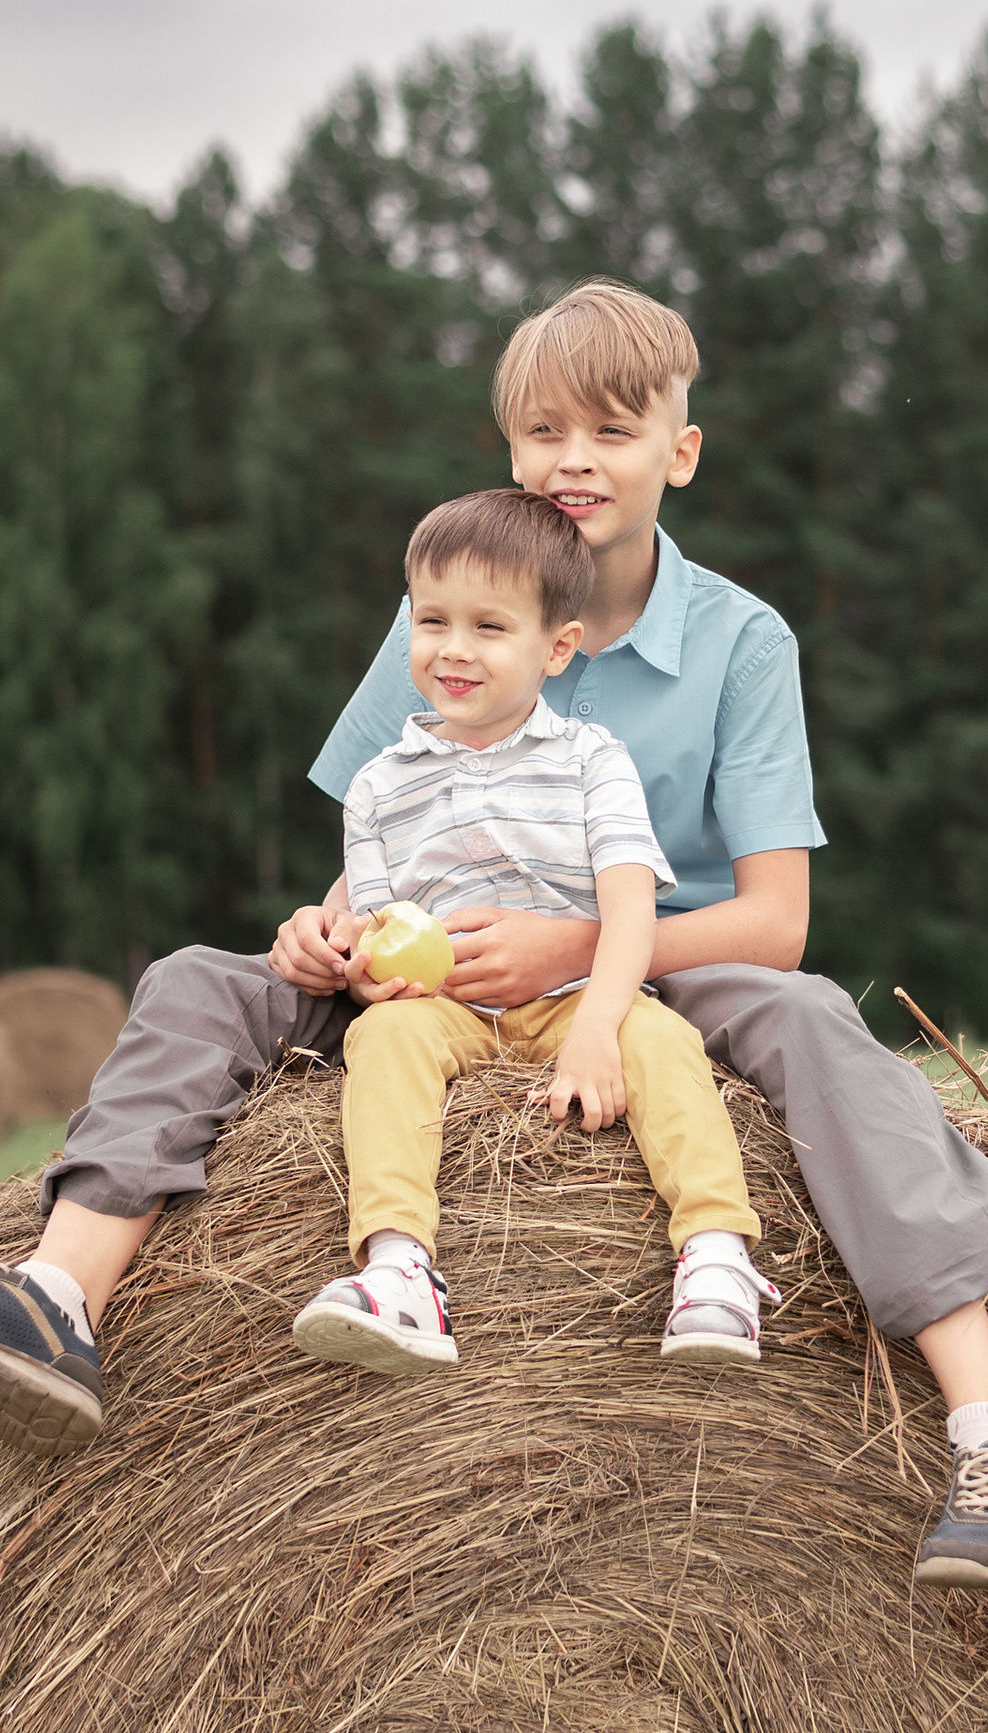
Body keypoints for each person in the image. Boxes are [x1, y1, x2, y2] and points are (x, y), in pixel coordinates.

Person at [0, 280, 988, 1587]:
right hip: (439, 964)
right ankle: (56, 1302)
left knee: (810, 1018)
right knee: (200, 981)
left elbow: (777, 922)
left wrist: (571, 951)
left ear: (678, 454)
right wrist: (327, 934)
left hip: (665, 965)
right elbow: (375, 846)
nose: (573, 460)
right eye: (543, 432)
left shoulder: (742, 644)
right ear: (509, 447)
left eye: (613, 431)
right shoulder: (460, 602)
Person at [290, 485, 774, 1376]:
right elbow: (378, 923)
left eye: (488, 627)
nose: (453, 650)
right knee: (385, 1038)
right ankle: (398, 1268)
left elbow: (629, 910)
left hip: (571, 996)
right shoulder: (379, 786)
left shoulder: (594, 762)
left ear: (557, 649)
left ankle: (716, 1255)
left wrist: (595, 1028)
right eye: (432, 622)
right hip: (447, 1004)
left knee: (660, 1040)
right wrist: (366, 979)